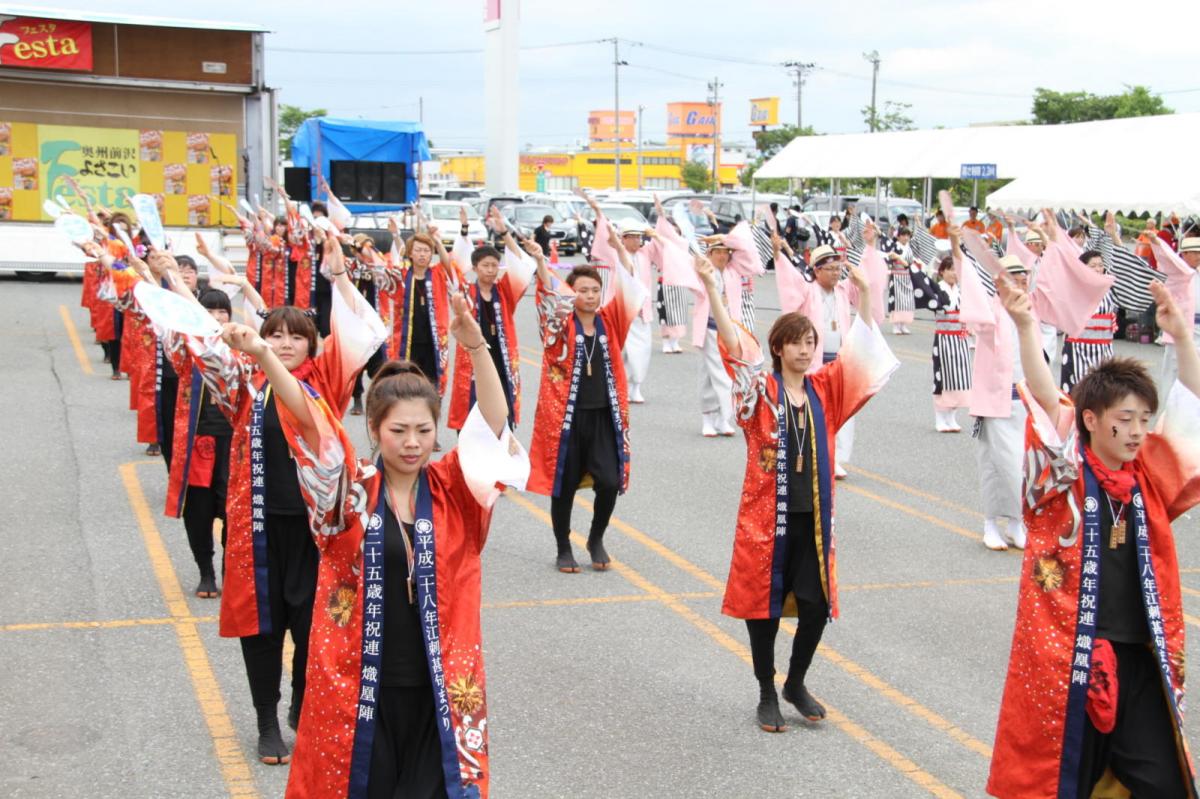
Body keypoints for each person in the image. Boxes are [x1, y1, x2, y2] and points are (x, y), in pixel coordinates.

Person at [217, 293, 526, 799]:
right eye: (398, 430)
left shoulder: (455, 490)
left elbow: (493, 425)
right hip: (361, 690)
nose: (412, 442)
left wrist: (477, 347)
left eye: (424, 430)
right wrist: (264, 355)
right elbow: (310, 423)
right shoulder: (351, 494)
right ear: (375, 430)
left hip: (440, 691)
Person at [151, 237, 387, 765]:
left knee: (313, 628)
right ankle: (265, 719)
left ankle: (303, 701)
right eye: (273, 335)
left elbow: (367, 331)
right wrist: (173, 280)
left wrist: (340, 278)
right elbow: (210, 342)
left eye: (294, 337)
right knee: (261, 629)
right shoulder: (245, 384)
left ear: (312, 344)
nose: (282, 344)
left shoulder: (328, 382)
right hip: (257, 530)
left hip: (316, 534)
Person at [986, 274, 1200, 799]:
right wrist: (1027, 324)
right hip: (1071, 657)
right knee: (1064, 782)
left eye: (1145, 420)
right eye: (1125, 419)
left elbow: (1194, 407)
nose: (1136, 431)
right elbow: (1043, 394)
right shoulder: (1062, 478)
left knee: (1166, 783)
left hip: (1139, 660)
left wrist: (1184, 336)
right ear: (1089, 419)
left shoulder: (1148, 478)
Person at [699, 245, 898, 733]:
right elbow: (732, 347)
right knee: (762, 609)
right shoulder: (760, 391)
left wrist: (867, 295)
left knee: (816, 604)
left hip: (813, 516)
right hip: (767, 518)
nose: (807, 349)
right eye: (797, 343)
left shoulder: (825, 388)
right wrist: (711, 288)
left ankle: (796, 681)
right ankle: (767, 690)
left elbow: (862, 352)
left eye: (811, 341)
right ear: (778, 349)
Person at [955, 204, 1112, 551]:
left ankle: (1012, 523)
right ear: (1001, 282)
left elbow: (1062, 278)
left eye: (1025, 275)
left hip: (1032, 402)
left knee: (1026, 467)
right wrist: (956, 251)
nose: (1023, 280)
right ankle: (992, 524)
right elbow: (972, 298)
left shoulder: (1035, 307)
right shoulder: (992, 310)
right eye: (1014, 276)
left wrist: (1054, 238)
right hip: (999, 402)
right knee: (1000, 465)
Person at [526, 221, 647, 573]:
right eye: (582, 290)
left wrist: (620, 249)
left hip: (604, 418)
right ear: (571, 293)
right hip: (567, 418)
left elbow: (629, 284)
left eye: (595, 289)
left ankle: (596, 537)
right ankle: (563, 546)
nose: (590, 296)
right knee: (562, 484)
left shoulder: (611, 321)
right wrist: (540, 264)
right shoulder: (561, 325)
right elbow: (548, 298)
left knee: (609, 483)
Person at [772, 227, 888, 479]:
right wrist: (778, 254)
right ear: (817, 270)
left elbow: (870, 282)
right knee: (812, 411)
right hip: (812, 363)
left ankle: (835, 457)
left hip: (839, 361)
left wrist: (870, 247)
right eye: (831, 269)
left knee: (841, 410)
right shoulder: (806, 290)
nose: (836, 273)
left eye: (838, 269)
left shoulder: (844, 290)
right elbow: (789, 280)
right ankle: (812, 455)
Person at [447, 208, 534, 431]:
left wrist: (504, 232)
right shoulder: (466, 291)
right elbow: (451, 268)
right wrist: (464, 229)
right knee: (470, 414)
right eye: (485, 265)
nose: (491, 270)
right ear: (475, 268)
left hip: (501, 360)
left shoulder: (504, 291)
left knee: (502, 413)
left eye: (495, 265)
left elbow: (523, 268)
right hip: (475, 360)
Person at [909, 257, 971, 432]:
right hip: (944, 339)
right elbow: (925, 289)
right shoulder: (938, 290)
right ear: (942, 271)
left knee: (960, 377)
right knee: (943, 377)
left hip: (960, 339)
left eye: (956, 270)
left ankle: (952, 416)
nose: (954, 274)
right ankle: (940, 418)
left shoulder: (960, 291)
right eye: (950, 269)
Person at [1147, 235, 1199, 388]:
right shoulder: (1178, 273)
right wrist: (1158, 243)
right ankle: (1170, 409)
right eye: (1195, 252)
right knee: (1173, 374)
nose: (1198, 256)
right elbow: (1167, 259)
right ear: (1184, 254)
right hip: (1180, 328)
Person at [885, 229, 916, 335]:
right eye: (903, 235)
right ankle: (896, 325)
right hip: (897, 276)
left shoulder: (909, 248)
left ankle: (903, 324)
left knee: (907, 302)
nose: (906, 237)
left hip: (907, 276)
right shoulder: (894, 246)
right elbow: (888, 258)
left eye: (908, 235)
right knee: (898, 301)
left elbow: (911, 261)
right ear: (898, 236)